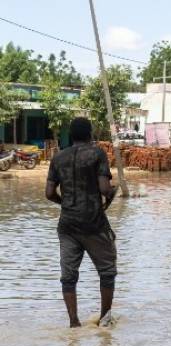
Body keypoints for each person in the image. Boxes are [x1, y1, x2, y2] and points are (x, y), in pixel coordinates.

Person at [45, 117, 118, 328]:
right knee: (107, 272)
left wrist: (65, 203)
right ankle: (105, 320)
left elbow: (49, 193)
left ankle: (74, 323)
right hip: (94, 224)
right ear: (89, 134)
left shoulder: (58, 158)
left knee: (68, 277)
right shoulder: (97, 154)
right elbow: (104, 188)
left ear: (71, 135)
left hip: (68, 226)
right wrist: (112, 193)